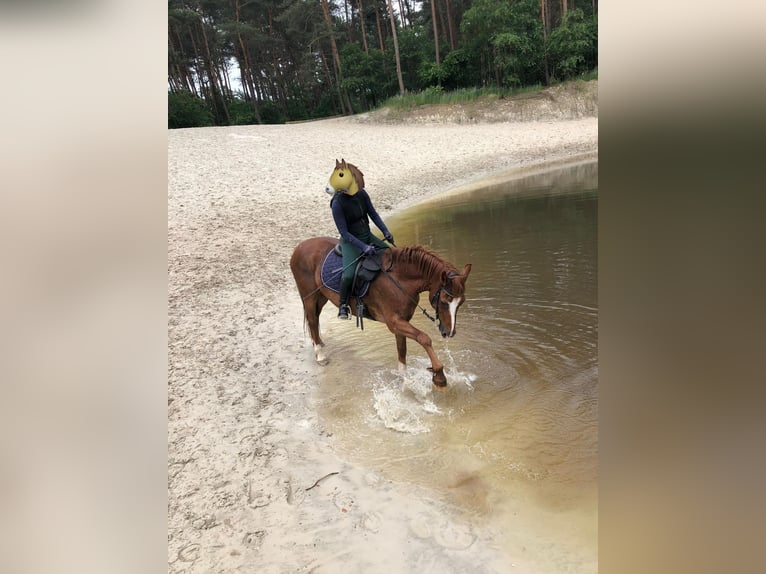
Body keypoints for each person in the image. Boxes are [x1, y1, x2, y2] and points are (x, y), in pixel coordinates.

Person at [330, 167, 394, 319]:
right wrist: (363, 247)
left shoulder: (362, 193)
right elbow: (344, 232)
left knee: (392, 255)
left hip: (367, 235)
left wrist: (385, 231)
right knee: (348, 275)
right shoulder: (337, 204)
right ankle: (343, 305)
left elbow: (373, 214)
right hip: (350, 241)